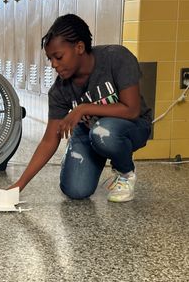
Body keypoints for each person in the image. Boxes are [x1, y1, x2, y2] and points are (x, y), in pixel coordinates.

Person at [10, 14, 152, 202]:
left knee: (103, 133)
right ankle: (79, 154)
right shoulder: (59, 90)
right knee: (75, 190)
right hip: (89, 131)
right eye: (50, 59)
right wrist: (19, 185)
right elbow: (49, 140)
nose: (54, 64)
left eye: (58, 57)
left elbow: (132, 110)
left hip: (132, 127)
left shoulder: (116, 58)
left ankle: (125, 173)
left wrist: (83, 109)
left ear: (79, 47)